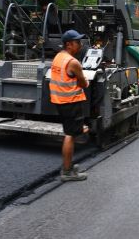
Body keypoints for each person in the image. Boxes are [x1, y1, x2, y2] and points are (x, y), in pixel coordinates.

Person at [50, 29, 89, 182]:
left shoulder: (58, 57)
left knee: (71, 132)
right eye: (77, 42)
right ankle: (67, 171)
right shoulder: (73, 62)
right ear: (69, 44)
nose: (80, 44)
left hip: (60, 101)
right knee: (70, 135)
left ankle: (68, 167)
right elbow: (83, 83)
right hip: (70, 102)